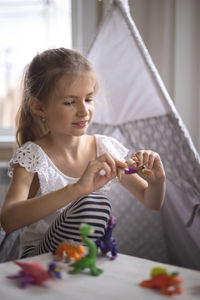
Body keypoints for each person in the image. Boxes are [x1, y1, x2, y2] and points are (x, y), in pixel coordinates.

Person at [0, 48, 166, 258]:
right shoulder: (32, 156)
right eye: (70, 102)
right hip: (41, 256)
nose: (84, 111)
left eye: (88, 99)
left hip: (83, 256)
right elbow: (7, 220)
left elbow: (151, 202)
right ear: (40, 108)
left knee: (96, 205)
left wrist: (157, 182)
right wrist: (78, 189)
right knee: (93, 201)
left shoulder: (106, 149)